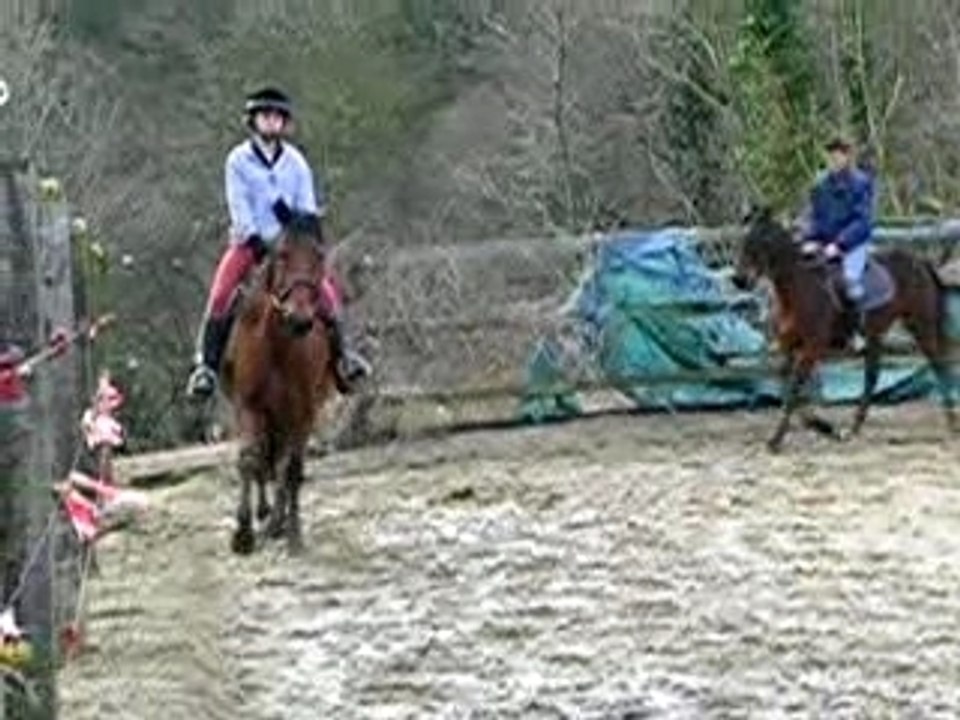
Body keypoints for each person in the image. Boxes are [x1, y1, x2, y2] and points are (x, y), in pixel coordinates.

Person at [185, 86, 372, 400]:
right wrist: (255, 239)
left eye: (277, 117)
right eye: (265, 116)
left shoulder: (296, 163)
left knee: (326, 295)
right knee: (220, 295)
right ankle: (207, 368)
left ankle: (344, 358)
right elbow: (238, 205)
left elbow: (307, 210)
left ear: (284, 123)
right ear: (253, 121)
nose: (271, 122)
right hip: (250, 243)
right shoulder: (238, 161)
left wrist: (298, 229)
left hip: (291, 245)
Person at [801, 135, 876, 331]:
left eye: (838, 155)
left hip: (853, 244)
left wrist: (840, 244)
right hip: (824, 245)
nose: (833, 159)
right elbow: (815, 218)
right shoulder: (820, 185)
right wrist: (810, 238)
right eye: (830, 155)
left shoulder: (861, 183)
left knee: (851, 282)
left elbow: (863, 221)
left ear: (847, 157)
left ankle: (858, 331)